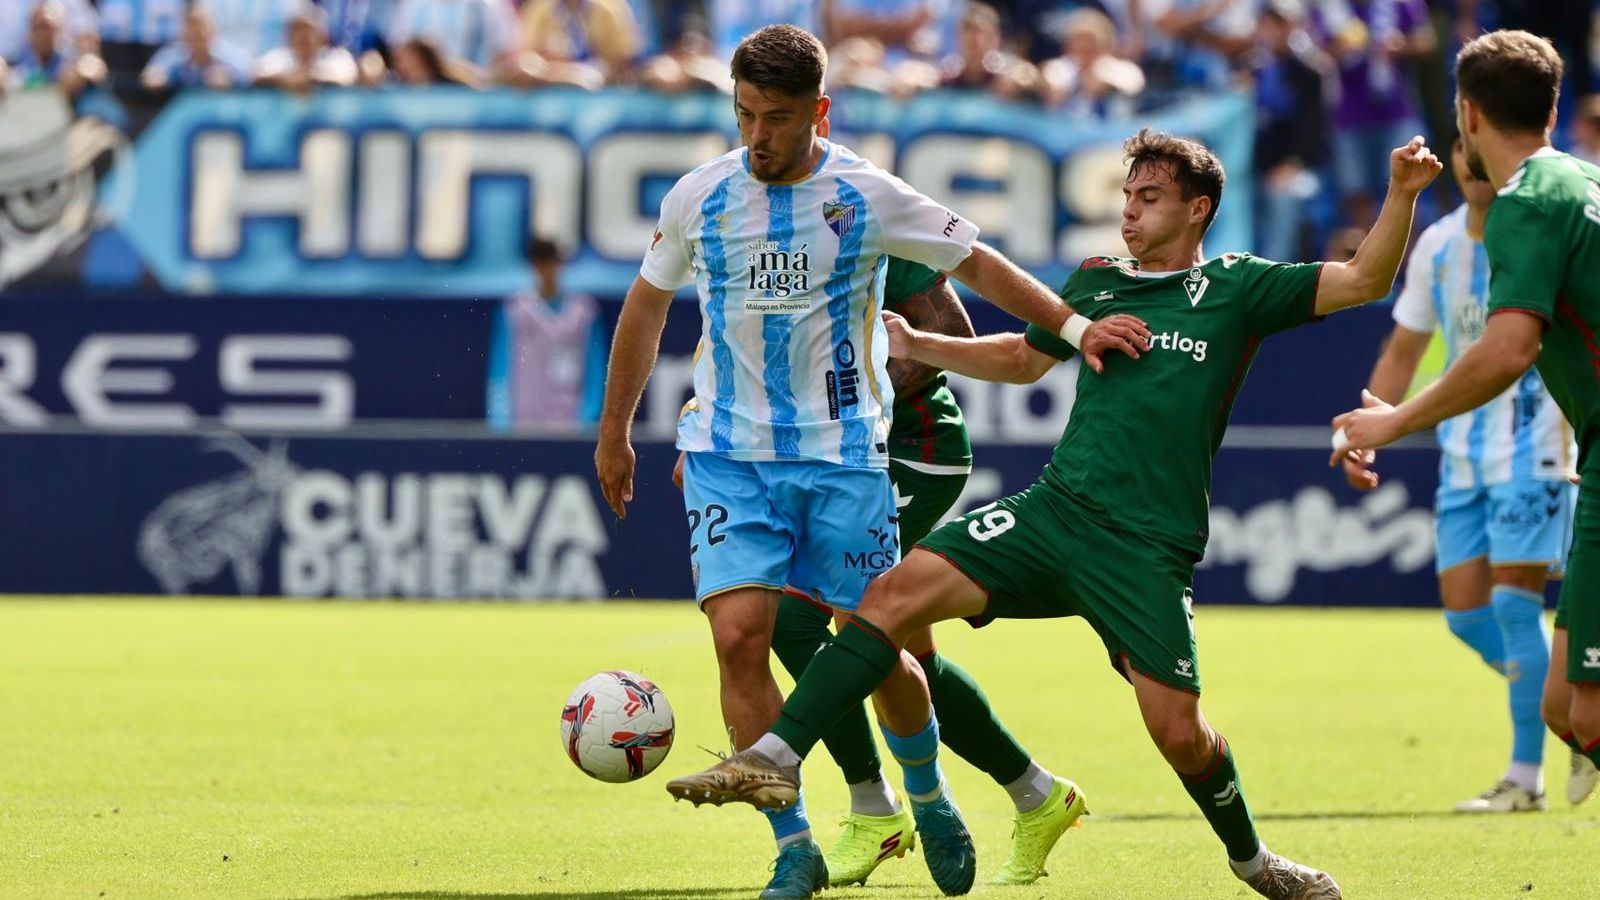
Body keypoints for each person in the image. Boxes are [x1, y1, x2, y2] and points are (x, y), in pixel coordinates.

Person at [668, 126, 1445, 900]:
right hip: (1053, 513)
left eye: (1150, 199)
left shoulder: (1241, 289)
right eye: (1127, 198)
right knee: (889, 597)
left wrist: (1402, 193)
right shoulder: (1098, 281)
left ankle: (1255, 864)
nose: (1130, 215)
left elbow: (1364, 280)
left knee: (1180, 734)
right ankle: (779, 755)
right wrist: (921, 344)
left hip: (1145, 548)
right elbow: (1021, 359)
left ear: (1199, 209)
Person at [595, 24, 1147, 900]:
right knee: (744, 637)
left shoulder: (865, 194)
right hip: (729, 455)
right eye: (743, 115)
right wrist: (615, 429)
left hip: (846, 459)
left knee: (879, 648)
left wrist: (1075, 329)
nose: (757, 137)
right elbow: (646, 305)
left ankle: (922, 798)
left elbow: (978, 263)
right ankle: (794, 844)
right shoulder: (699, 196)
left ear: (818, 110)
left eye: (776, 118)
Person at [1334, 29, 1600, 811]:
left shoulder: (1523, 204)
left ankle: (1523, 780)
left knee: (1579, 707)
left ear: (1469, 113)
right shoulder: (1582, 184)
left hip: (1560, 451)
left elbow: (1509, 348)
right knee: (1564, 706)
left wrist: (1394, 421)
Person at [488, 237, 606, 430]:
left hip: (570, 425)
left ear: (560, 263)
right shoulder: (515, 310)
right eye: (541, 262)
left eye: (551, 261)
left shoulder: (583, 312)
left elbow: (596, 368)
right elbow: (500, 368)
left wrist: (587, 419)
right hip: (523, 425)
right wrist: (500, 420)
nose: (547, 269)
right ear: (533, 265)